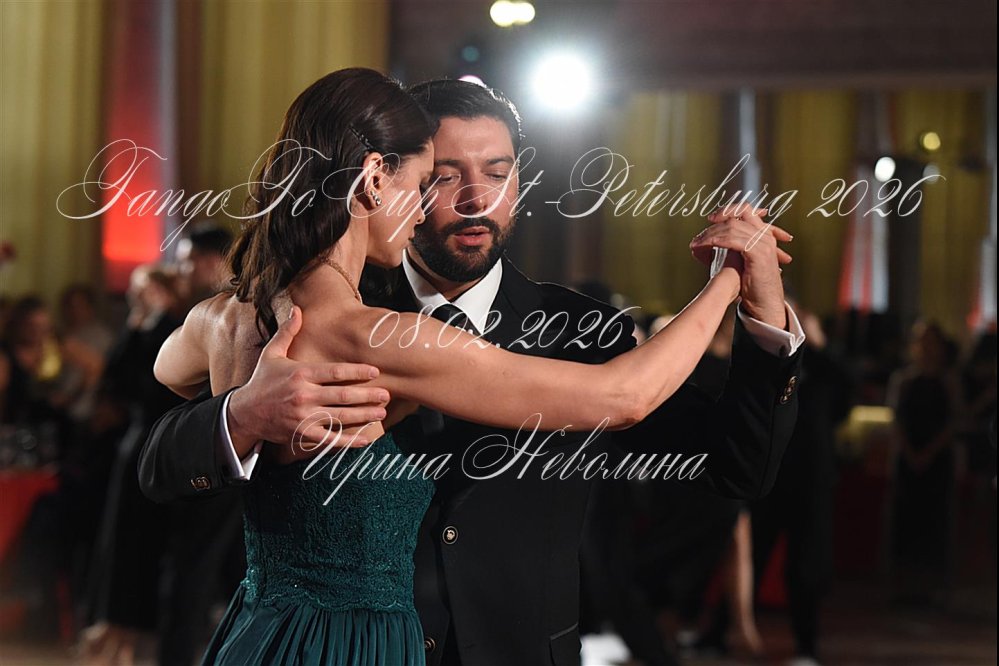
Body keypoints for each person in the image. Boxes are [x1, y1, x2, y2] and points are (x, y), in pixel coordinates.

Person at [142, 72, 804, 666]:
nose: (474, 199)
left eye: (497, 172)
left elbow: (737, 465)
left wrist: (764, 318)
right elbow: (156, 462)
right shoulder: (359, 324)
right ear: (380, 177)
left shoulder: (582, 330)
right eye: (439, 177)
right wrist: (239, 417)